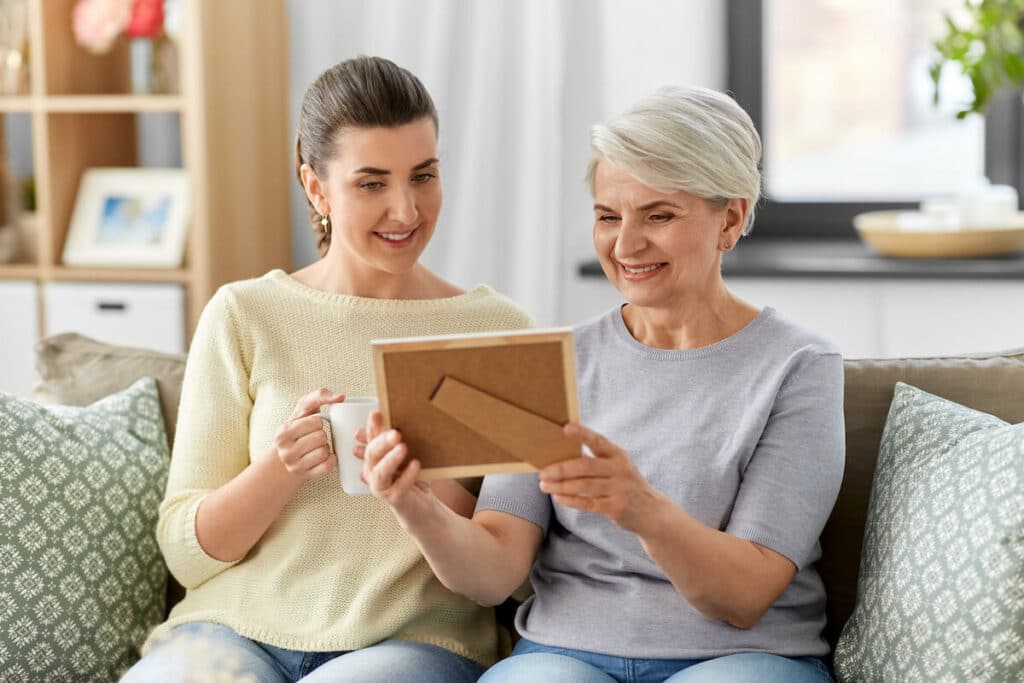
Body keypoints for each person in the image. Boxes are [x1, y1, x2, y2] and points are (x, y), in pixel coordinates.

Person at [360, 85, 844, 683]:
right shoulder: (555, 362)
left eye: (659, 215)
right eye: (608, 216)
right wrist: (415, 505)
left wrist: (640, 509)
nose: (626, 244)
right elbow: (495, 575)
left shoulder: (799, 366)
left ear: (732, 218)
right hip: (563, 656)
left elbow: (745, 596)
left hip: (741, 659)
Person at [121, 55, 532, 683]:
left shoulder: (498, 332)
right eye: (372, 183)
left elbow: (510, 571)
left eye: (423, 176)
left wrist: (420, 492)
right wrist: (279, 470)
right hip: (232, 629)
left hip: (414, 640)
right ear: (317, 188)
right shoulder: (246, 313)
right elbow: (185, 551)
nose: (406, 210)